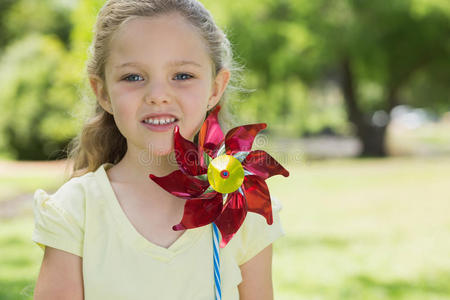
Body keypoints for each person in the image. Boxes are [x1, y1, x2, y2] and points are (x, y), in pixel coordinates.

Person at [32, 1, 284, 299]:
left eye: (182, 76)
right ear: (103, 92)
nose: (158, 96)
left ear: (215, 89)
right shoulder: (76, 212)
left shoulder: (243, 209)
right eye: (133, 77)